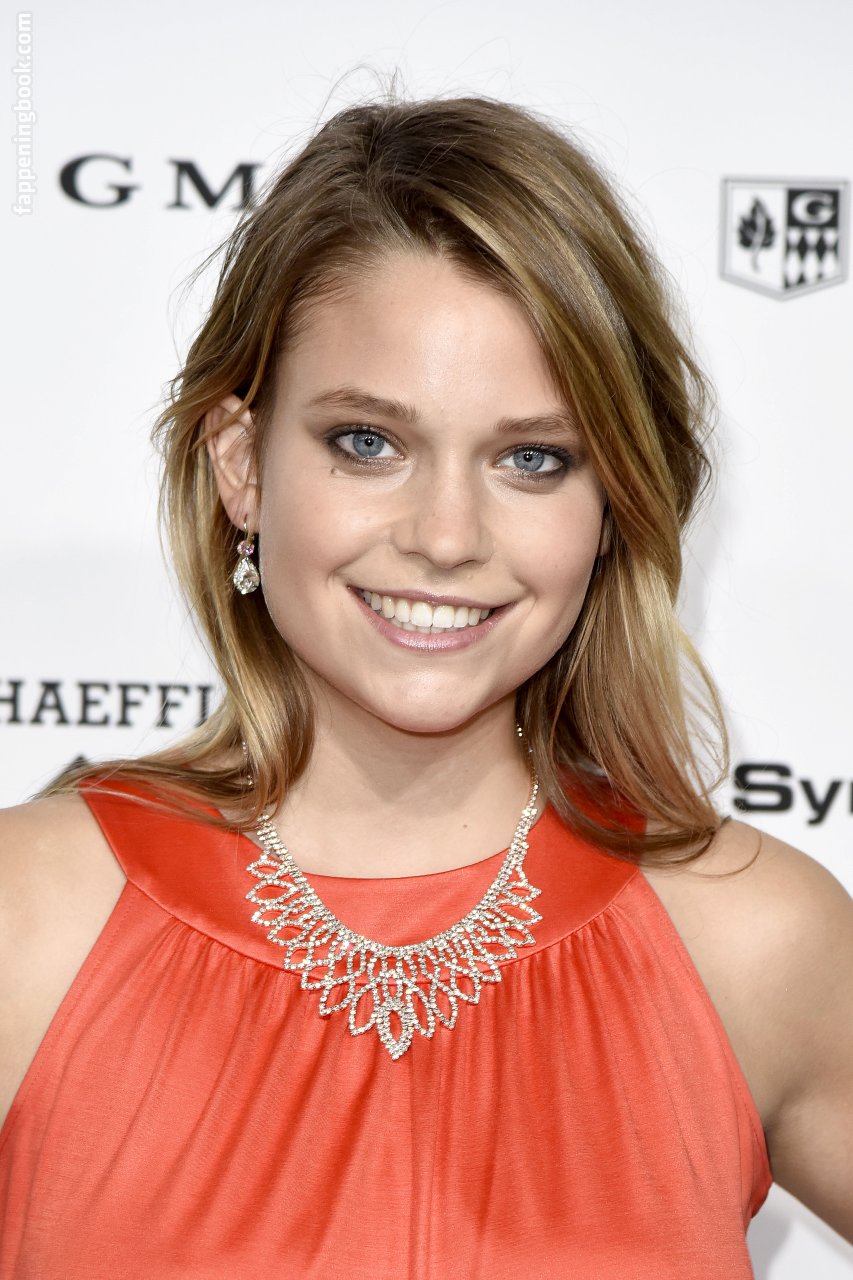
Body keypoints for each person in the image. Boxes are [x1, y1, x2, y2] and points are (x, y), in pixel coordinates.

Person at [1, 94, 851, 1278]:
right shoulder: (28, 921)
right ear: (242, 464)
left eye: (532, 458)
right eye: (368, 442)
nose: (446, 535)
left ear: (613, 503)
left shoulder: (756, 938)